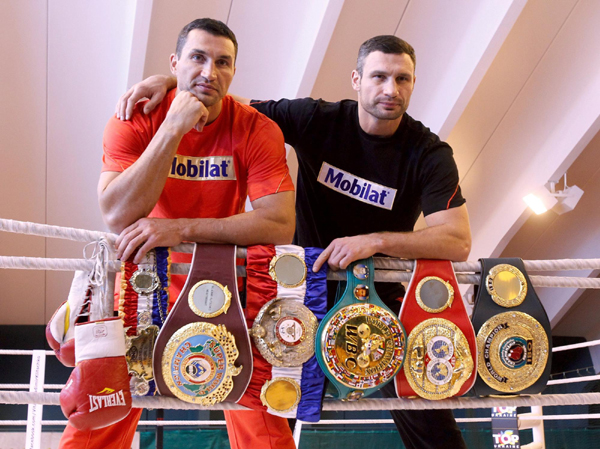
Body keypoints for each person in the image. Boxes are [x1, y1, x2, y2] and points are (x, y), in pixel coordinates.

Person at [118, 35, 471, 449]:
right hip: (300, 290)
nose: (390, 89)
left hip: (378, 292)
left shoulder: (428, 153)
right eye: (379, 76)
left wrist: (373, 241)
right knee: (270, 407)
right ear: (357, 80)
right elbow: (229, 107)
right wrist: (174, 81)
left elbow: (457, 239)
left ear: (413, 83)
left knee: (427, 412)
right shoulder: (318, 119)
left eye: (402, 79)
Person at [59, 18, 297, 449]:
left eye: (222, 62)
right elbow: (116, 212)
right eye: (198, 58)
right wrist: (172, 127)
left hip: (221, 284)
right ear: (175, 62)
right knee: (104, 409)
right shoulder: (136, 116)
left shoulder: (256, 128)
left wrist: (178, 229)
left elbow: (279, 223)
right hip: (140, 284)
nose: (210, 71)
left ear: (234, 71)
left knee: (259, 418)